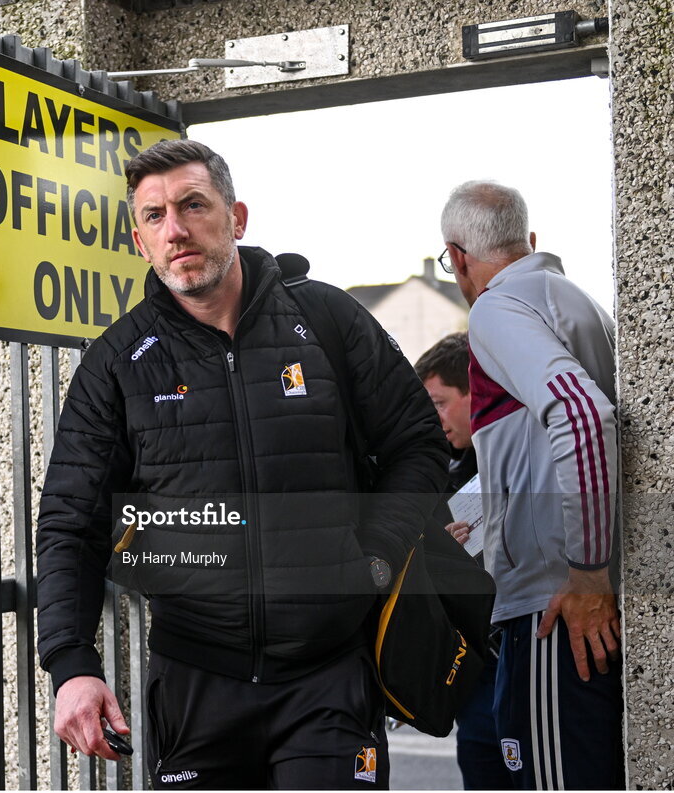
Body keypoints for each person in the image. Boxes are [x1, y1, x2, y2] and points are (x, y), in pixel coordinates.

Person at [35, 139, 450, 789]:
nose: (175, 229)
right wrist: (71, 663)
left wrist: (374, 554)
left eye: (193, 205)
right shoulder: (116, 363)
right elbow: (70, 522)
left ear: (237, 218)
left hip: (328, 676)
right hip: (197, 684)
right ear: (140, 242)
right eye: (154, 216)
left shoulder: (327, 320)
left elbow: (418, 444)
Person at [440, 181, 622, 790]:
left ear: (457, 257)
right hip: (577, 604)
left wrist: (588, 574)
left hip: (555, 610)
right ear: (529, 240)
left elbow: (583, 416)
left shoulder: (497, 306)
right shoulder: (573, 299)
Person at [415, 332, 512, 790]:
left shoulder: (518, 462)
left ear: (477, 392)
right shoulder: (447, 472)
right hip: (473, 665)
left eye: (439, 402)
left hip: (517, 650)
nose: (434, 418)